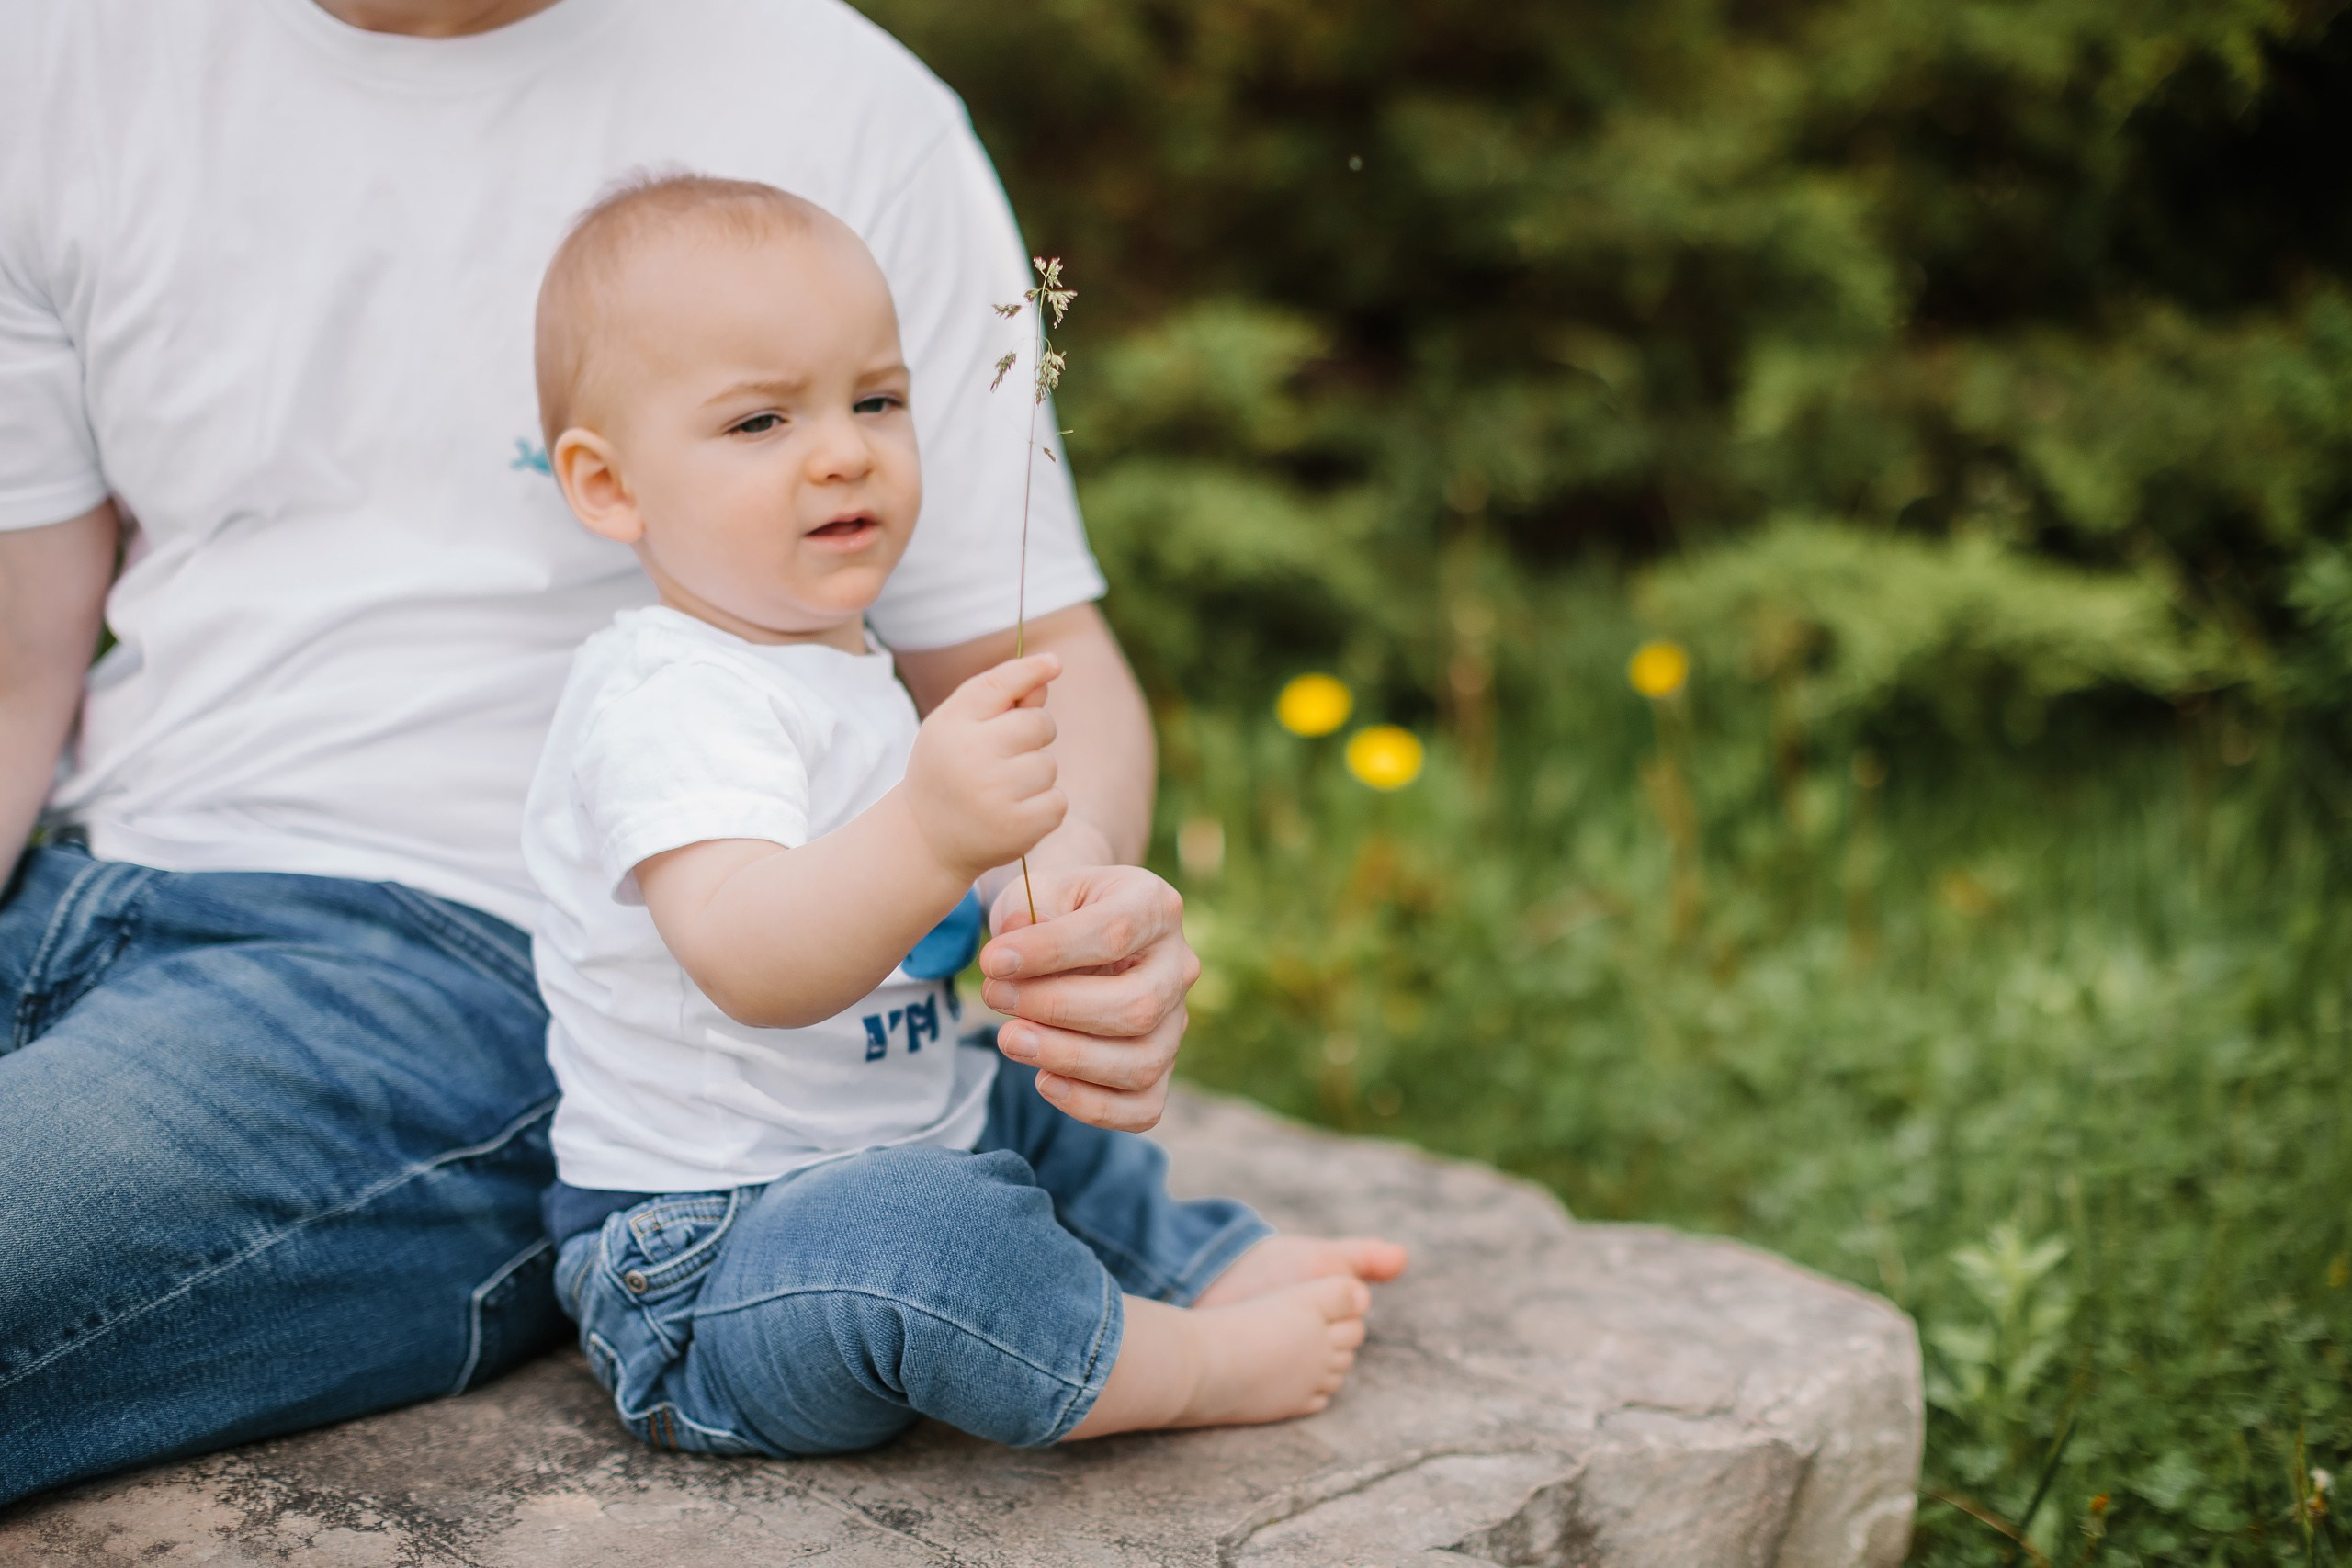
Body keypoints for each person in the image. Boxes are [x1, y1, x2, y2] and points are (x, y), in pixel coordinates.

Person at [4, 0, 1197, 1502]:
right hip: (85, 882)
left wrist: (1069, 894)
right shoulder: (56, 54)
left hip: (461, 965)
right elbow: (14, 669)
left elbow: (1031, 657)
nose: (835, 445)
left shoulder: (832, 93)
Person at [526, 175, 1404, 1452]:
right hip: (717, 1257)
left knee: (1022, 1100)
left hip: (892, 1139)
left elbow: (946, 907)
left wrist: (1039, 891)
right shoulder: (667, 696)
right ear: (611, 487)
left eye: (875, 400)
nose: (844, 449)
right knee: (928, 1236)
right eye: (761, 420)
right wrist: (933, 831)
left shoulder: (843, 667)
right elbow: (752, 959)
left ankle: (1196, 1259)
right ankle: (1184, 1364)